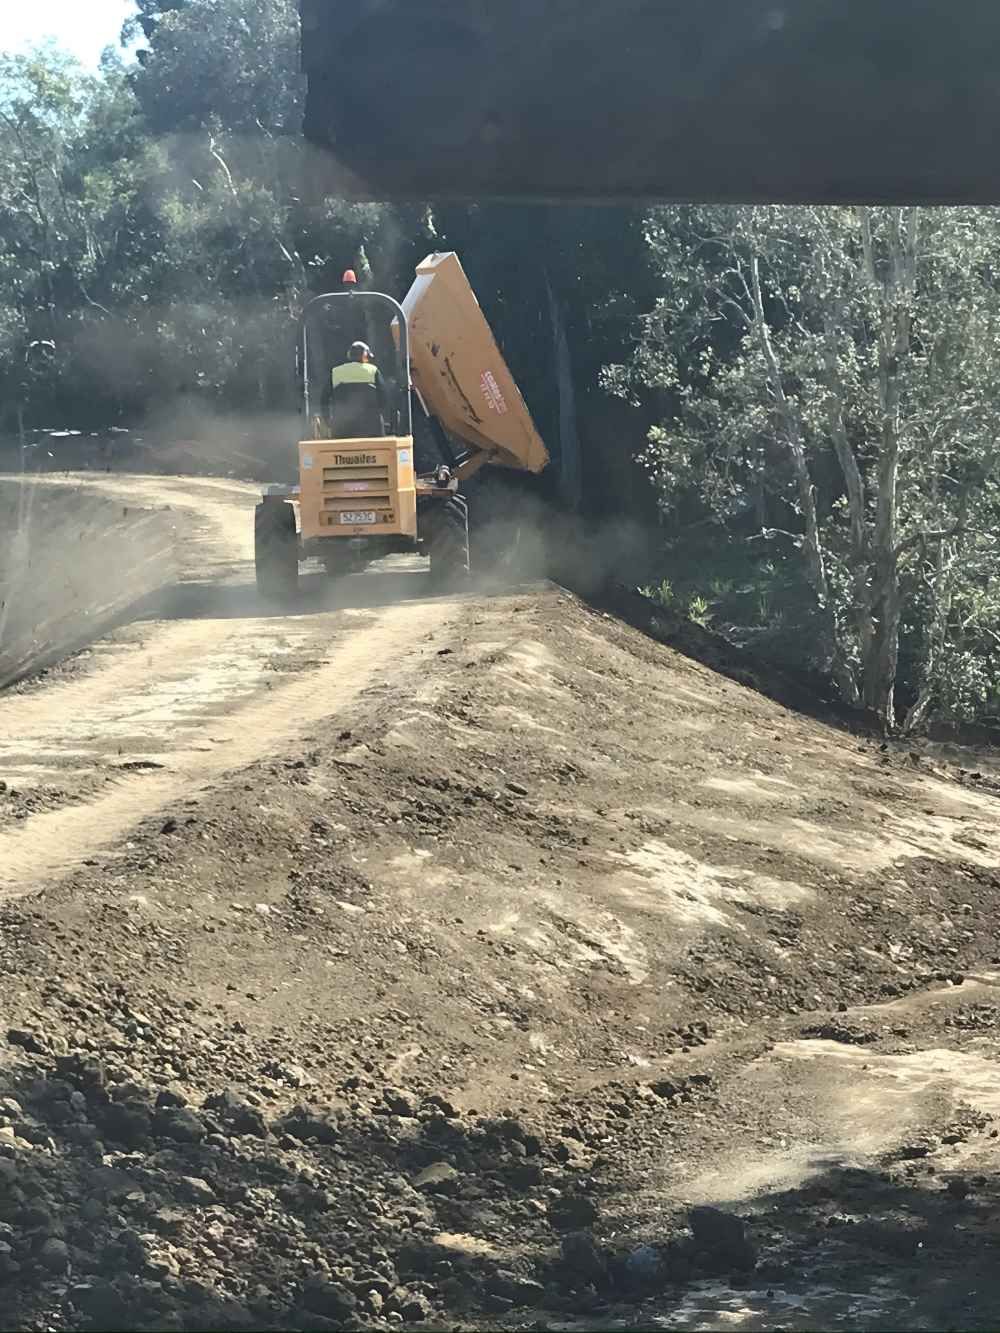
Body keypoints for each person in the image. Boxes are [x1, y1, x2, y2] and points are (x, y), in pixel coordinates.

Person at [324, 340, 387, 438]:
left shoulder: (336, 372)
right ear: (365, 355)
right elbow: (384, 397)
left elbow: (324, 398)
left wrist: (328, 420)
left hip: (342, 430)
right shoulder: (373, 371)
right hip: (371, 429)